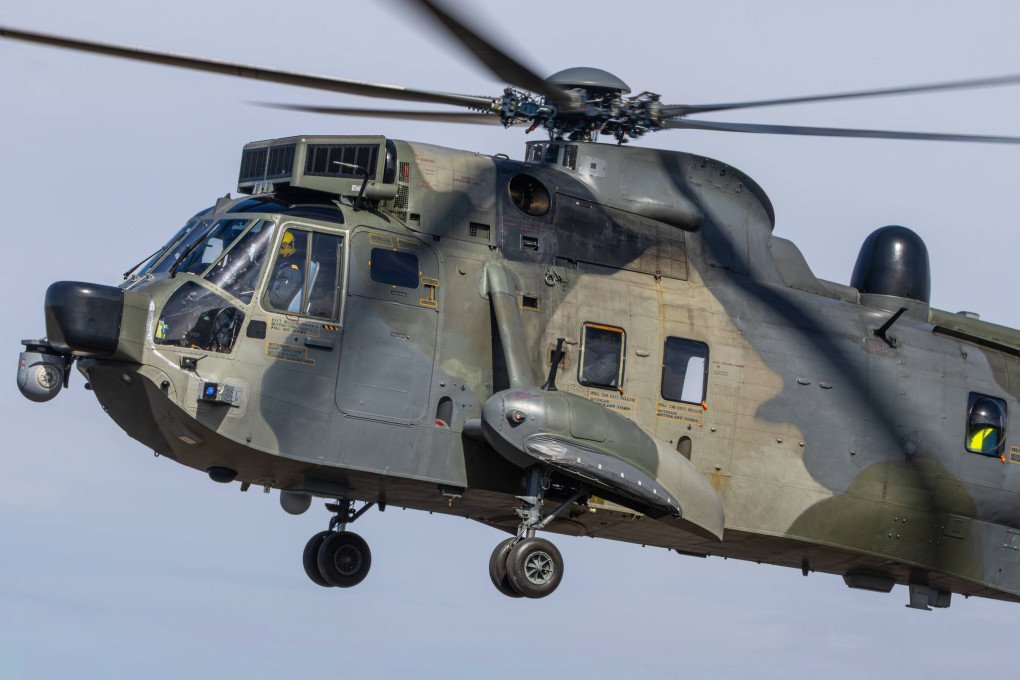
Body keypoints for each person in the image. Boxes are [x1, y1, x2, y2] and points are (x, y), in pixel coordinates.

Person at [268, 230, 306, 311]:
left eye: (279, 246)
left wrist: (255, 292)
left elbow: (277, 299)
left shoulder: (292, 271)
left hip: (271, 307)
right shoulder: (282, 264)